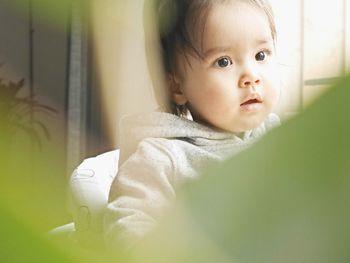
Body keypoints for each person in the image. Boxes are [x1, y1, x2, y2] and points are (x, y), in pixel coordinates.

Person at [104, 0, 281, 246]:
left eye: (260, 55)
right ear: (177, 86)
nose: (251, 76)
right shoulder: (164, 158)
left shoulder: (277, 135)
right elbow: (127, 227)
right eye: (223, 62)